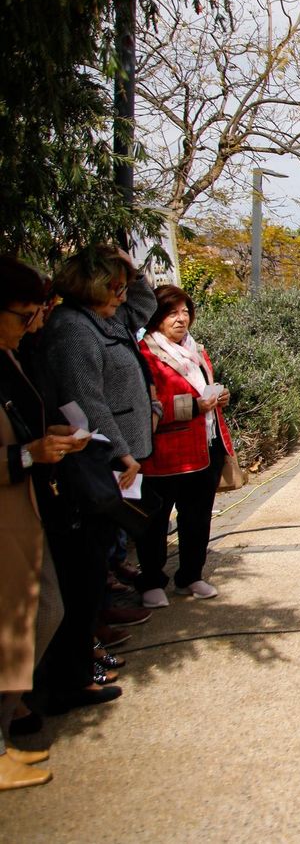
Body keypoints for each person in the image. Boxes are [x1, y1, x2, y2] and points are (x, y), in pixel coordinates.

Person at [38, 246, 159, 702]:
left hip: (118, 455)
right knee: (83, 563)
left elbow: (145, 307)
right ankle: (77, 660)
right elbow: (87, 401)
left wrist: (131, 266)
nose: (123, 294)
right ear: (93, 286)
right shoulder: (73, 329)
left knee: (99, 557)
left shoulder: (106, 318)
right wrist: (123, 453)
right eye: (115, 286)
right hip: (99, 460)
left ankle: (92, 636)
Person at [1, 257, 87, 787]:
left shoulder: (10, 356)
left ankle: (7, 726)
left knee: (43, 612)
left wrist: (49, 438)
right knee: (13, 626)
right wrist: (30, 454)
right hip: (10, 509)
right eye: (24, 314)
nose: (33, 323)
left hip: (25, 509)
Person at [135, 286, 235, 608]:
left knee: (197, 517)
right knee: (155, 520)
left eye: (185, 311)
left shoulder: (196, 349)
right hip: (165, 452)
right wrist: (194, 406)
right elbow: (148, 404)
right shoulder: (145, 354)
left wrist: (220, 397)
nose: (181, 319)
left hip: (205, 447)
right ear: (156, 317)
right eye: (172, 313)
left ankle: (191, 575)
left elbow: (205, 387)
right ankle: (151, 580)